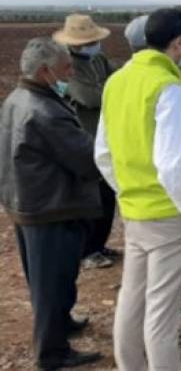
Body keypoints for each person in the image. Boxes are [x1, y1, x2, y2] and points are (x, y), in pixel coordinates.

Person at [95, 7, 181, 371]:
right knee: (161, 315)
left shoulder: (116, 82)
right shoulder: (167, 87)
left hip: (134, 211)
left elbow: (103, 154)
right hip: (168, 216)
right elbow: (170, 164)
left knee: (131, 301)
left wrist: (127, 192)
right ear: (177, 43)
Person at [0, 37, 103, 369]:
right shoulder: (45, 111)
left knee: (47, 277)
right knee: (51, 280)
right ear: (45, 71)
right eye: (65, 68)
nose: (70, 73)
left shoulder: (17, 99)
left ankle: (61, 323)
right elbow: (86, 160)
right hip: (51, 207)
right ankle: (52, 353)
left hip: (27, 201)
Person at [53, 14, 120, 270]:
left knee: (107, 196)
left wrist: (106, 87)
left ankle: (98, 245)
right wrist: (108, 89)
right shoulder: (67, 65)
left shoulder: (98, 59)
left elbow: (116, 79)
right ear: (77, 44)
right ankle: (87, 250)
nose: (95, 45)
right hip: (83, 138)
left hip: (102, 136)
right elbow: (89, 98)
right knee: (93, 197)